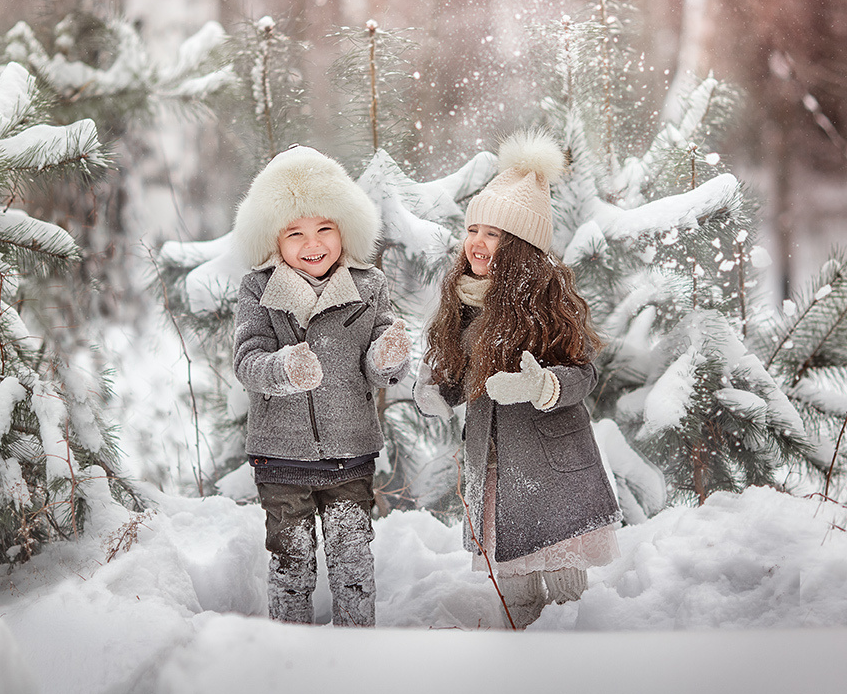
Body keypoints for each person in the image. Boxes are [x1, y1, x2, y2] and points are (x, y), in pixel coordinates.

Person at [414, 130, 621, 629]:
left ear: (522, 247)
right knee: (517, 595)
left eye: (495, 234)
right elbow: (455, 375)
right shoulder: (463, 302)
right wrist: (434, 391)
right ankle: (521, 678)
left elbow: (583, 372)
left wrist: (543, 386)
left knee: (569, 600)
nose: (478, 243)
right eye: (474, 229)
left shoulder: (549, 303)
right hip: (496, 470)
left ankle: (578, 681)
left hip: (552, 466)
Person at [232, 145, 412, 627]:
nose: (313, 243)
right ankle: (291, 653)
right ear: (273, 239)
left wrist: (386, 357)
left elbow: (377, 363)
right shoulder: (257, 289)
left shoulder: (369, 285)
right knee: (292, 562)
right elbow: (247, 361)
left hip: (349, 451)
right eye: (296, 232)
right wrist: (283, 370)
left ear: (345, 228)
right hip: (281, 457)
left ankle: (358, 650)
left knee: (353, 561)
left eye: (324, 228)